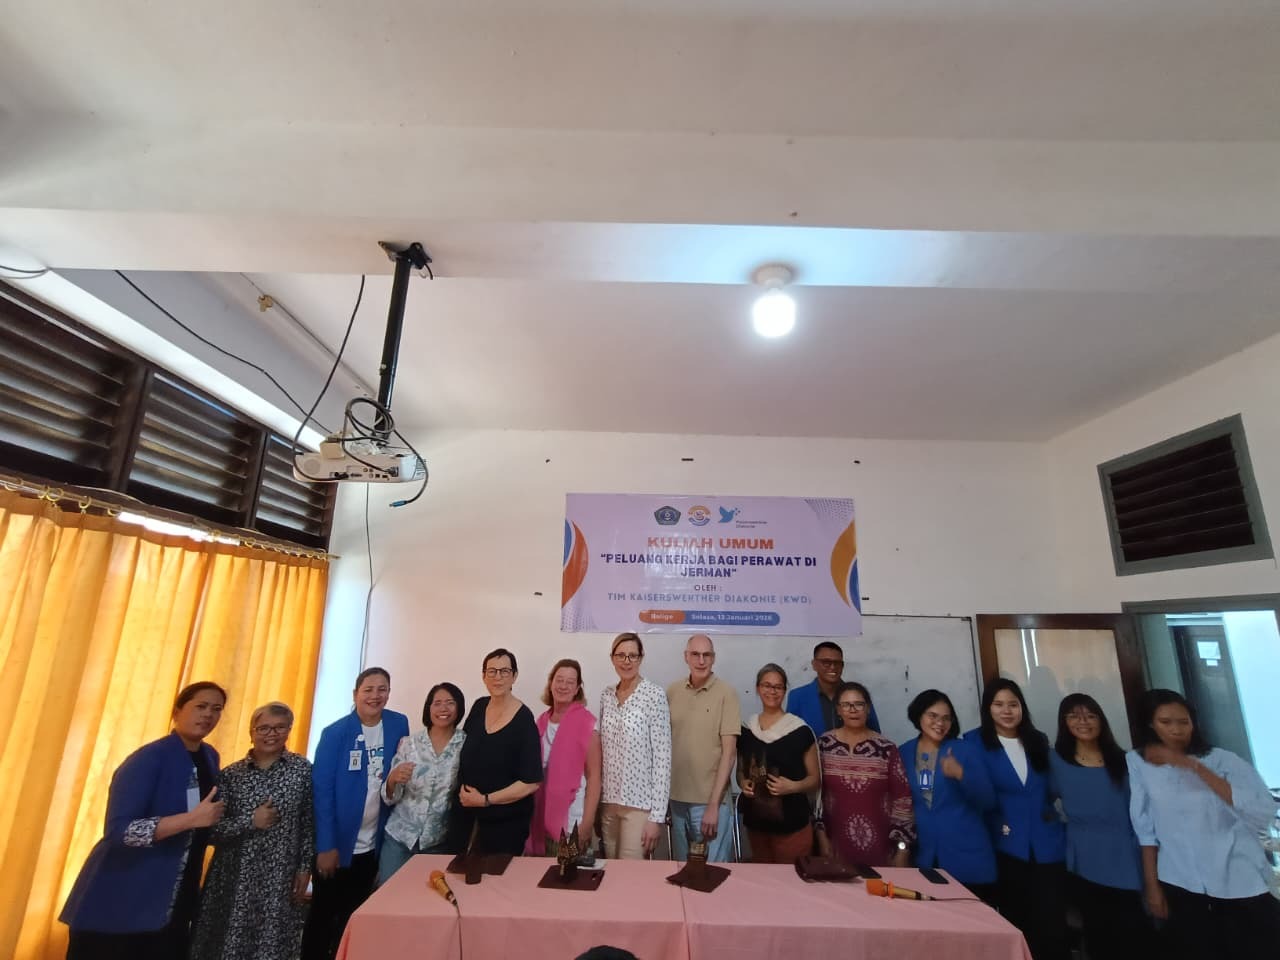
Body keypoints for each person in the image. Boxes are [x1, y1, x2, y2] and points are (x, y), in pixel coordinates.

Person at [61, 681, 228, 960]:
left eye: (216, 709)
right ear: (177, 711)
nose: (208, 714)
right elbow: (120, 831)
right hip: (123, 898)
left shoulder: (209, 756)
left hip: (175, 898)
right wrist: (189, 820)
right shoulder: (148, 758)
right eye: (200, 706)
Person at [1128, 688, 1280, 959]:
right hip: (1179, 878)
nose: (1176, 730)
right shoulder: (1138, 762)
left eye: (1183, 722)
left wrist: (1194, 767)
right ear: (1150, 724)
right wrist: (1152, 886)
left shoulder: (1222, 759)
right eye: (1166, 722)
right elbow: (1145, 829)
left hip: (1237, 875)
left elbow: (1262, 810)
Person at [191, 701, 314, 960]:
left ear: (289, 730)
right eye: (264, 728)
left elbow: (308, 822)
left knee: (272, 944)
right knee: (227, 944)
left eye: (280, 728)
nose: (272, 734)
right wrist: (250, 821)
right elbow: (211, 831)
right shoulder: (230, 775)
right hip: (233, 876)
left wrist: (305, 867)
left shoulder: (302, 770)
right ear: (251, 731)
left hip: (280, 875)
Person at [301, 667, 410, 960]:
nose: (375, 696)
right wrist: (326, 846)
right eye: (368, 689)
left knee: (354, 916)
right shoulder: (335, 733)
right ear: (355, 694)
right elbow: (322, 792)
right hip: (337, 845)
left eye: (382, 689)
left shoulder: (398, 723)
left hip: (373, 844)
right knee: (323, 917)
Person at [965, 679, 1067, 960]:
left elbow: (1052, 789)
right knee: (1016, 921)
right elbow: (977, 792)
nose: (1007, 711)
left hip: (1047, 844)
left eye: (1013, 704)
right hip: (1005, 844)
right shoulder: (974, 743)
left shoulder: (1038, 741)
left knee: (1052, 926)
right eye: (998, 704)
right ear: (988, 709)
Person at [1048, 693, 1151, 960]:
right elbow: (1040, 801)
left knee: (1136, 935)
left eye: (1090, 715)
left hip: (1127, 858)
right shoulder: (1056, 761)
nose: (1083, 722)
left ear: (1101, 721)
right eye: (1074, 716)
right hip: (1084, 860)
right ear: (1064, 723)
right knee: (1098, 936)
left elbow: (1143, 815)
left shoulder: (1126, 761)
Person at [898, 689, 997, 900]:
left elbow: (988, 800)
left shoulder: (965, 750)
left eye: (946, 718)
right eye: (933, 716)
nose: (940, 723)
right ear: (918, 716)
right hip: (926, 856)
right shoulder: (904, 752)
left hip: (967, 856)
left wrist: (960, 774)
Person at [446, 648, 542, 855]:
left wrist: (486, 800)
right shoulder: (479, 707)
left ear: (514, 676)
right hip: (466, 816)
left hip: (505, 824)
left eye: (504, 671)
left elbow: (531, 782)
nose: (498, 677)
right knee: (456, 871)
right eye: (492, 671)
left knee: (494, 875)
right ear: (484, 676)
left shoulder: (524, 720)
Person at [816, 681, 914, 866]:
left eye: (859, 704)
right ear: (838, 710)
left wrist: (902, 849)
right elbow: (816, 798)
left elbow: (902, 800)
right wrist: (821, 837)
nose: (853, 710)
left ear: (868, 708)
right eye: (846, 705)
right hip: (834, 848)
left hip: (881, 849)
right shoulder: (824, 745)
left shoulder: (886, 748)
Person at [377, 683, 466, 884]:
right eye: (437, 703)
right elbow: (389, 796)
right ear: (429, 708)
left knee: (427, 898)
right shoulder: (410, 743)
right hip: (399, 839)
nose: (443, 708)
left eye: (450, 703)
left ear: (459, 707)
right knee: (389, 896)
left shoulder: (465, 744)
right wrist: (392, 779)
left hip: (438, 842)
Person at [667, 634, 741, 862]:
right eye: (695, 654)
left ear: (713, 658)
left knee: (713, 874)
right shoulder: (672, 692)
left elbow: (729, 754)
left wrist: (713, 806)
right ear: (686, 657)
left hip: (711, 803)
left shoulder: (726, 693)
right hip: (677, 801)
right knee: (682, 872)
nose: (701, 660)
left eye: (706, 655)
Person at [598, 632, 672, 859]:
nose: (626, 661)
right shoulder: (606, 696)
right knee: (609, 870)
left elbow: (663, 758)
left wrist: (656, 816)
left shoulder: (654, 695)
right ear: (612, 658)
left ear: (641, 658)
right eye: (621, 655)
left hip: (639, 805)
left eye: (632, 655)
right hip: (609, 802)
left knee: (630, 873)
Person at [736, 663, 819, 864]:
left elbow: (815, 779)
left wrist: (793, 786)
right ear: (758, 688)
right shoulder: (747, 730)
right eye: (767, 685)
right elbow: (740, 771)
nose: (772, 691)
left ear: (784, 690)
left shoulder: (800, 730)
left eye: (778, 687)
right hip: (757, 824)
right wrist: (743, 783)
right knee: (763, 878)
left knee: (791, 879)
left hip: (793, 825)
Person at [525, 659, 602, 855]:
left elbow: (594, 777)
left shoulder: (587, 723)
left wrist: (587, 823)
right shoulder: (541, 722)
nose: (563, 686)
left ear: (577, 688)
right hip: (540, 817)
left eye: (570, 682)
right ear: (551, 683)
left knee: (568, 872)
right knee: (540, 872)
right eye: (559, 680)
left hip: (572, 822)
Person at [786, 641, 881, 734]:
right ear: (814, 665)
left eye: (837, 663)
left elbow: (874, 733)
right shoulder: (797, 697)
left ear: (842, 666)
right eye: (826, 662)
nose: (832, 667)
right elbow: (791, 736)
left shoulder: (859, 695)